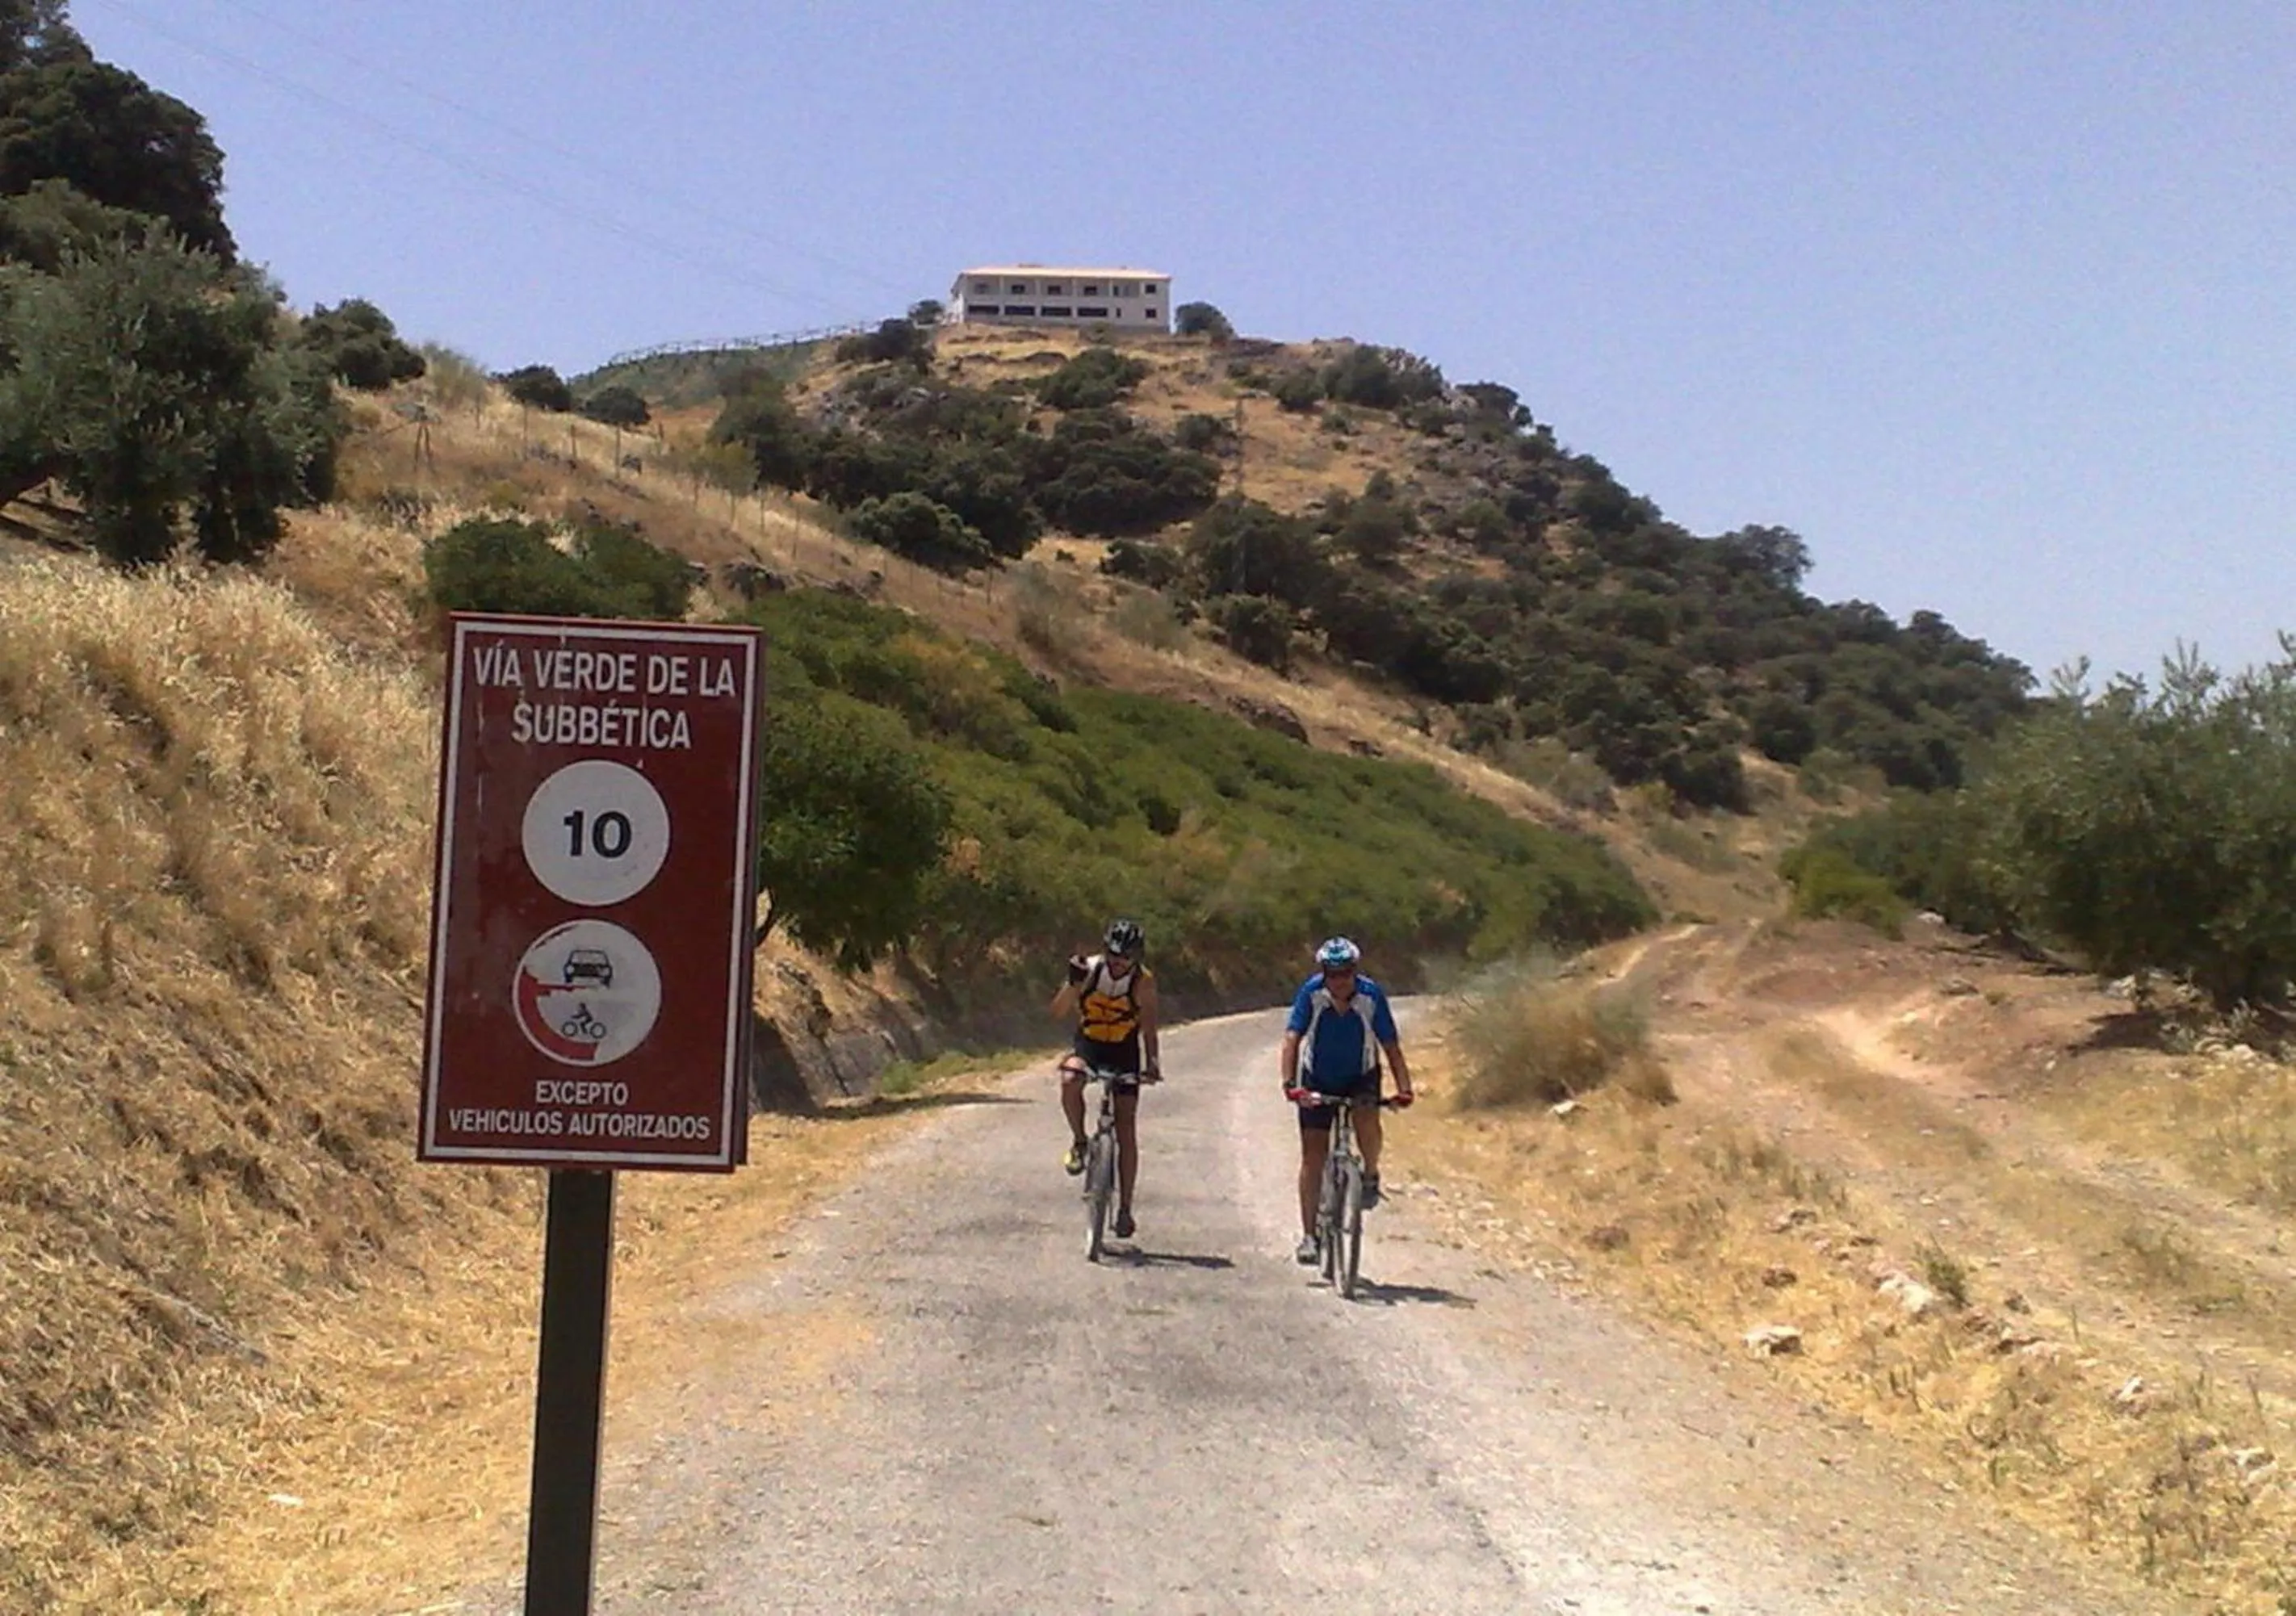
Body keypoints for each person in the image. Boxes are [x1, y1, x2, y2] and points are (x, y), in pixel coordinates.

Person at [1279, 936, 1413, 1266]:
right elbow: (1292, 1038)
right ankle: (1309, 1236)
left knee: (1367, 1118)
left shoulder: (1371, 995)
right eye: (1332, 974)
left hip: (1361, 1074)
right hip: (1317, 1076)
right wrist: (1290, 1085)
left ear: (1355, 971)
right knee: (1313, 1155)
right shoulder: (1311, 993)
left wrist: (1404, 1088)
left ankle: (1370, 1173)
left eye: (1345, 973)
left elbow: (1390, 1045)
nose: (1339, 981)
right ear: (1323, 973)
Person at [1050, 917, 1162, 1241]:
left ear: (1136, 958)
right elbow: (1057, 1012)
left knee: (1126, 1127)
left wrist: (1153, 1064)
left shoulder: (1143, 982)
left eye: (1126, 957)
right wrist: (1072, 984)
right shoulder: (1088, 970)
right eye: (1113, 954)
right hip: (1090, 1045)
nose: (1118, 962)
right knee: (1069, 1079)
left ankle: (1125, 1209)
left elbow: (1149, 1025)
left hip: (1124, 1051)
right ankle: (1080, 1141)